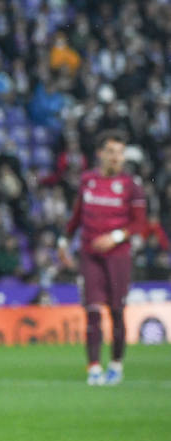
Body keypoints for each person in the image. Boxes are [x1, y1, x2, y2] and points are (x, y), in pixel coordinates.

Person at [59, 130, 147, 385]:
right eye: (110, 152)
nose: (115, 158)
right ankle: (94, 367)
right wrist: (63, 241)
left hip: (118, 256)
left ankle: (116, 365)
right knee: (93, 311)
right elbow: (77, 215)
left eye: (120, 153)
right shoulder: (88, 181)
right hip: (90, 255)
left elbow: (139, 224)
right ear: (100, 154)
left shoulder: (132, 186)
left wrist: (116, 237)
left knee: (117, 311)